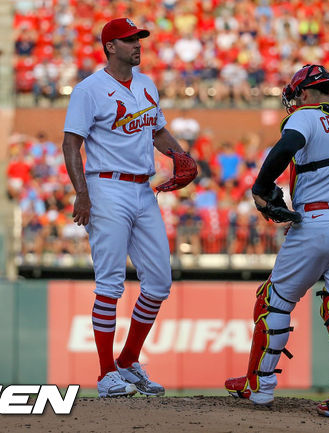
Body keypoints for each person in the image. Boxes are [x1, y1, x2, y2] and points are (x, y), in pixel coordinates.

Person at [225, 64, 329, 420]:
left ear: (304, 93)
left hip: (318, 220)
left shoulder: (306, 116)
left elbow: (286, 146)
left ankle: (259, 386)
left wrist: (260, 187)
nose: (292, 102)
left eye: (294, 95)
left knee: (272, 302)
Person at [62, 17, 194, 398]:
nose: (137, 44)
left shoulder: (147, 84)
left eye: (138, 38)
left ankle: (128, 361)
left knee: (158, 282)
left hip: (142, 189)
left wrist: (180, 155)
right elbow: (71, 143)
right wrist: (82, 192)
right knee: (110, 285)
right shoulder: (89, 90)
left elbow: (157, 131)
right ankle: (106, 375)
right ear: (110, 47)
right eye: (128, 40)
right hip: (106, 187)